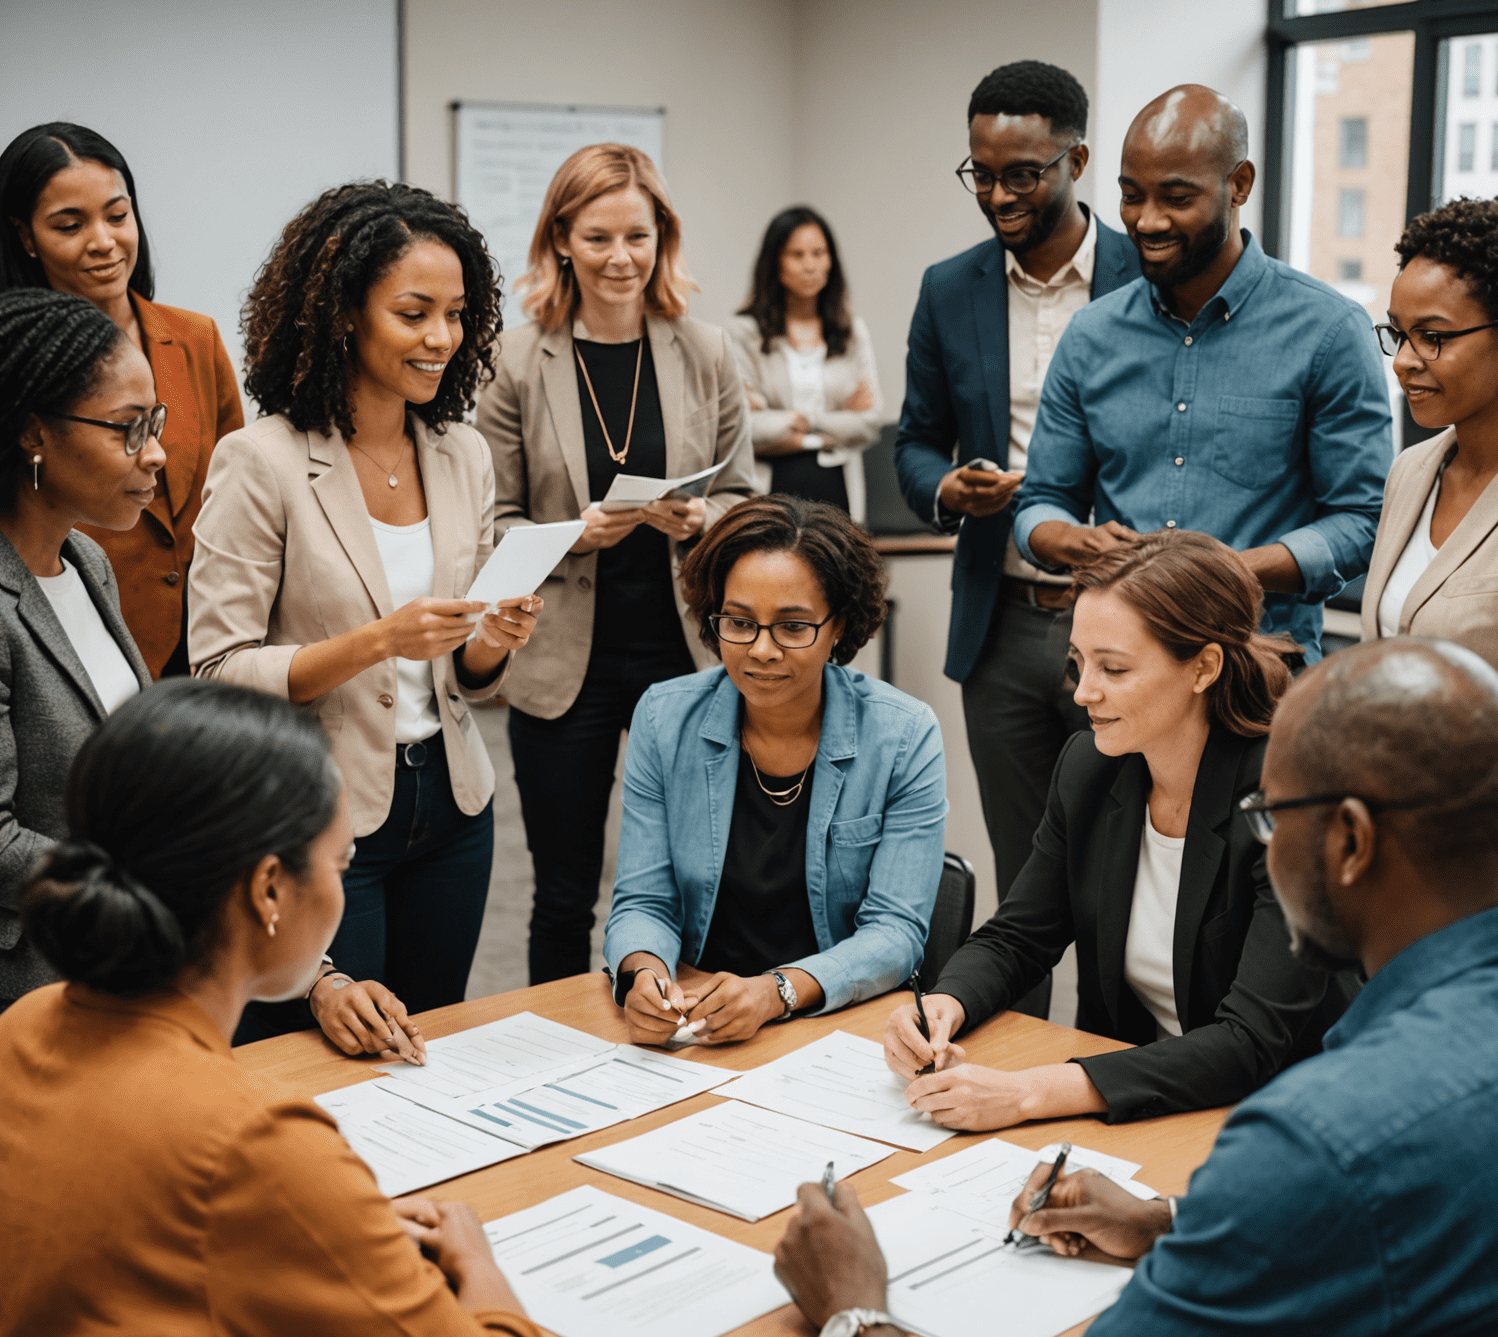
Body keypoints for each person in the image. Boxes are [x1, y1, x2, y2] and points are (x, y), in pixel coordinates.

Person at [774, 637, 1498, 1337]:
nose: (1266, 847)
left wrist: (855, 1309)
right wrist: (1172, 1221)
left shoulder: (1322, 1139)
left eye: (1273, 816)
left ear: (1349, 841)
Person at [0, 677, 551, 1337]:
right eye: (341, 861)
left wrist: (319, 1226)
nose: (342, 881)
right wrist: (472, 1254)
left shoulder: (25, 1026)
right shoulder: (253, 1145)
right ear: (268, 889)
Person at [189, 181, 542, 1041]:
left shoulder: (461, 453)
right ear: (346, 313)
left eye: (457, 314)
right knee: (331, 1062)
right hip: (320, 813)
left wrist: (491, 643)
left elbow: (465, 677)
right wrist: (377, 641)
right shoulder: (261, 461)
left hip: (454, 809)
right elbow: (217, 670)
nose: (441, 339)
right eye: (414, 312)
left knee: (436, 1049)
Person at [883, 529, 1351, 1126]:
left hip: (1286, 1114)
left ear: (1204, 667)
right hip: (1142, 1099)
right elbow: (1019, 937)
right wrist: (944, 1005)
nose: (1084, 692)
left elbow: (1251, 1042)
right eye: (1079, 663)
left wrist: (1030, 1093)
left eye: (1115, 669)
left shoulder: (1289, 798)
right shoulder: (1090, 767)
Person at [892, 61, 1139, 1013]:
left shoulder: (1143, 277)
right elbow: (915, 440)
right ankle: (1008, 1060)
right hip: (998, 625)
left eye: (1022, 174)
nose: (996, 195)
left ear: (1076, 159)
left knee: (1126, 863)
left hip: (1119, 624)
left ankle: (1114, 1061)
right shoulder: (948, 288)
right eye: (980, 173)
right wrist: (947, 489)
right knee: (1024, 870)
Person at [477, 143, 755, 985]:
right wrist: (574, 532)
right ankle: (556, 1045)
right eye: (597, 238)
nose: (620, 258)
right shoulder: (517, 361)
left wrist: (707, 516)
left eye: (637, 236)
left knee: (699, 876)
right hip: (564, 663)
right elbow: (490, 520)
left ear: (660, 237)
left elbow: (750, 497)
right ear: (561, 238)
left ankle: (696, 1025)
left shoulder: (704, 350)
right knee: (563, 893)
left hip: (687, 654)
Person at [1017, 84, 1391, 671]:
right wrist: (1073, 540)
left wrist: (1231, 572)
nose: (1147, 220)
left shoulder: (1328, 331)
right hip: (1118, 673)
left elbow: (1364, 519)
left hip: (1261, 669)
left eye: (1176, 197)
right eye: (1130, 196)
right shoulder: (1090, 335)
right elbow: (1040, 503)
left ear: (1239, 184)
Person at [605, 495, 946, 1045]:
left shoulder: (903, 735)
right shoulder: (664, 718)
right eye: (738, 622)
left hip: (838, 1022)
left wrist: (776, 991)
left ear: (840, 626)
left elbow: (896, 933)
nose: (761, 650)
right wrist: (645, 974)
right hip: (700, 1019)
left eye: (792, 627)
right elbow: (644, 901)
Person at [0, 122, 243, 677]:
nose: (104, 241)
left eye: (117, 215)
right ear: (25, 235)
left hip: (207, 641)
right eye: (70, 224)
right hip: (66, 640)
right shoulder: (14, 364)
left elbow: (234, 491)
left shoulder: (194, 338)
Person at [1360, 197, 1498, 894]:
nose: (1405, 362)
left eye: (1434, 337)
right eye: (1398, 334)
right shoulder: (1412, 471)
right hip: (1404, 834)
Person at [0, 288, 155, 1010]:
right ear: (34, 433)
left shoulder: (86, 560)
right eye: (128, 428)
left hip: (124, 960)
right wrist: (139, 884)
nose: (155, 454)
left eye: (154, 423)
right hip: (35, 981)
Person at [727, 206, 883, 520]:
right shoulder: (743, 333)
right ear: (775, 263)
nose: (810, 265)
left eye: (819, 253)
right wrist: (831, 425)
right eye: (796, 255)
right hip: (769, 489)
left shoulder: (851, 331)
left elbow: (870, 421)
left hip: (837, 488)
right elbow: (743, 427)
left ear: (831, 261)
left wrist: (796, 425)